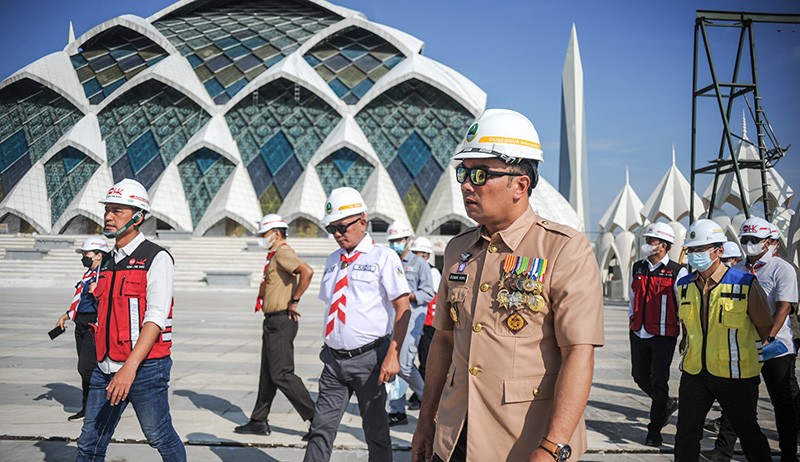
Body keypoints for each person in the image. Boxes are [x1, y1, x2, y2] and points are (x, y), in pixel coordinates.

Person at [412, 109, 604, 462]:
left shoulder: (563, 248)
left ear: (520, 184)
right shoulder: (458, 249)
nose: (467, 184)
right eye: (463, 172)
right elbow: (442, 338)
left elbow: (579, 351)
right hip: (454, 437)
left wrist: (553, 445)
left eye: (481, 174)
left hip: (522, 441)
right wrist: (426, 421)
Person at [76, 178, 185, 462]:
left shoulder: (156, 258)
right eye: (107, 210)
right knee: (89, 444)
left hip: (144, 368)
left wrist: (129, 369)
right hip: (106, 367)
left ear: (138, 217)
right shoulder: (108, 261)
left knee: (159, 435)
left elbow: (156, 318)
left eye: (118, 211)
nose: (109, 217)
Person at [303, 187, 411, 462]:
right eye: (332, 229)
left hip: (370, 360)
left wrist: (393, 355)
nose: (338, 234)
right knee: (320, 429)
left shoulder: (383, 258)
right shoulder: (333, 261)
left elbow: (403, 308)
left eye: (342, 227)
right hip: (333, 362)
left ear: (362, 220)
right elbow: (332, 305)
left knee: (375, 431)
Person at [672, 219, 773, 462]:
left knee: (748, 433)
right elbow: (687, 326)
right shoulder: (684, 285)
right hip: (695, 372)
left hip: (735, 375)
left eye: (700, 249)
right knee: (685, 435)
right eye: (691, 250)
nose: (695, 255)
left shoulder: (744, 283)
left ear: (718, 251)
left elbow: (764, 325)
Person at [703, 217, 799, 462]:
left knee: (784, 403)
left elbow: (783, 307)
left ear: (768, 242)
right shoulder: (737, 271)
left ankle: (789, 454)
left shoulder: (782, 269)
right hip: (743, 347)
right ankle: (723, 450)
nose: (749, 244)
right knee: (737, 402)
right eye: (745, 240)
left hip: (776, 349)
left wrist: (768, 337)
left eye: (754, 240)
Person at [234, 214, 315, 438]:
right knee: (268, 374)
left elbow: (306, 271)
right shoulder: (274, 255)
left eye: (264, 234)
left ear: (276, 233)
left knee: (282, 374)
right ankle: (259, 420)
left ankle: (316, 419)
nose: (262, 238)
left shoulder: (282, 252)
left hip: (281, 320)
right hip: (272, 321)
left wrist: (295, 300)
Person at [629, 222, 687, 447]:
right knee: (639, 375)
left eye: (651, 240)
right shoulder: (638, 267)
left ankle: (654, 430)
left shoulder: (677, 271)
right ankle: (665, 404)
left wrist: (685, 335)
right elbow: (633, 296)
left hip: (664, 334)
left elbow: (683, 304)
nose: (647, 244)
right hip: (638, 331)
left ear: (664, 246)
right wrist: (631, 321)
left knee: (659, 380)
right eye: (647, 240)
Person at [54, 235, 109, 422]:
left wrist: (99, 291)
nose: (84, 256)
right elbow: (80, 301)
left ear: (99, 255)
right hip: (81, 323)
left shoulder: (106, 275)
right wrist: (67, 315)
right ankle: (87, 407)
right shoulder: (87, 275)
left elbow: (110, 302)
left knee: (86, 368)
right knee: (87, 369)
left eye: (87, 253)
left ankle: (102, 405)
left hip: (96, 324)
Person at [385, 221, 434, 426]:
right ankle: (397, 410)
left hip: (412, 319)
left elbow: (428, 293)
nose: (396, 244)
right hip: (391, 320)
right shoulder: (389, 261)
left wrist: (408, 295)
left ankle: (427, 398)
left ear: (407, 241)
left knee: (404, 366)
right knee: (391, 365)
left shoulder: (420, 264)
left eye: (399, 240)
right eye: (393, 241)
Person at [409, 236, 441, 409]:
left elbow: (428, 295)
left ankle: (422, 395)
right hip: (415, 322)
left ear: (427, 255)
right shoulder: (412, 270)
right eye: (413, 253)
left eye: (418, 254)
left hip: (428, 323)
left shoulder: (432, 272)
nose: (415, 257)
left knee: (426, 361)